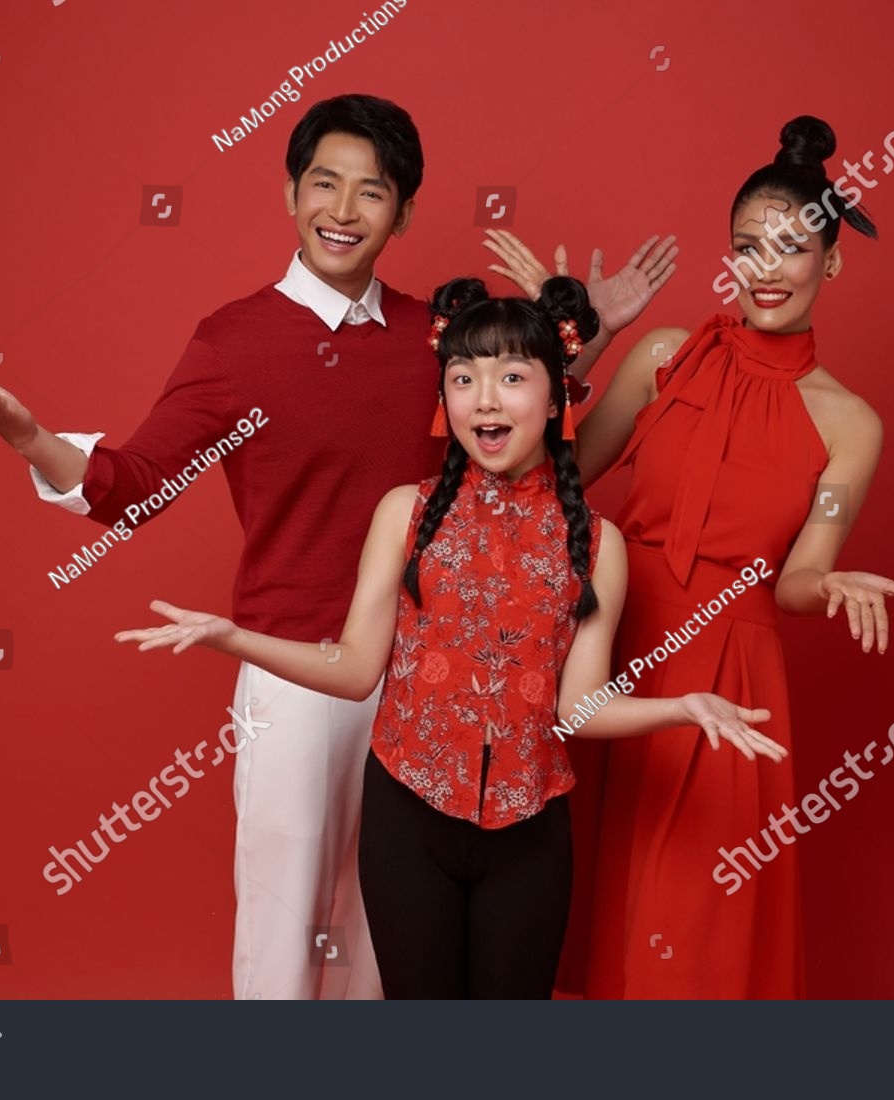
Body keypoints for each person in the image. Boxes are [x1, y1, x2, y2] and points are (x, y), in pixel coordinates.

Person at [0, 94, 677, 999]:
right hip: (299, 671)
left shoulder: (431, 338)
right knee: (284, 934)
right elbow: (130, 484)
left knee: (380, 947)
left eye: (373, 192)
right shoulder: (235, 342)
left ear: (404, 214)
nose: (345, 211)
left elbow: (509, 452)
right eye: (325, 185)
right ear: (290, 193)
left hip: (426, 677)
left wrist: (590, 338)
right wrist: (31, 438)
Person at [115, 276, 787, 999]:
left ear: (557, 396)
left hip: (532, 834)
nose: (486, 399)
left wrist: (682, 708)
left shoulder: (597, 543)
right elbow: (352, 668)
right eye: (464, 378)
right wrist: (233, 637)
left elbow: (579, 708)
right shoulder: (404, 513)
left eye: (512, 377)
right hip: (408, 819)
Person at [492, 115, 894, 999]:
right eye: (746, 247)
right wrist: (571, 335)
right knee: (571, 908)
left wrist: (829, 581)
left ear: (831, 261)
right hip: (604, 648)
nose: (766, 267)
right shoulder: (665, 359)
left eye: (790, 246)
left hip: (731, 676)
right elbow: (551, 471)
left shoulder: (851, 423)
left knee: (695, 929)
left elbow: (804, 572)